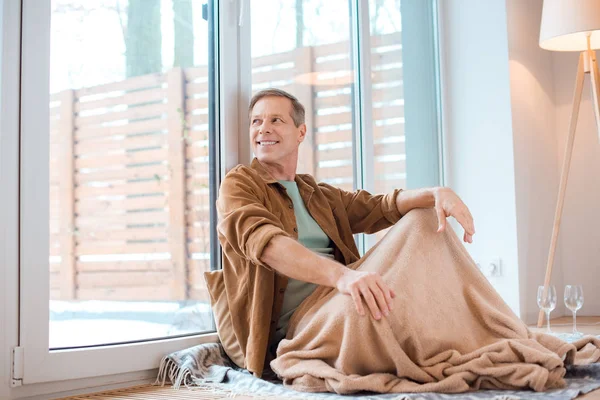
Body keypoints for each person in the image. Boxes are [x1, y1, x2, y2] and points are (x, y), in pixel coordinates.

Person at [204, 88, 476, 379]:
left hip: (341, 300)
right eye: (256, 121)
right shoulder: (239, 184)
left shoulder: (317, 194)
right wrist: (343, 276)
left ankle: (483, 326)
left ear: (300, 132)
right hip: (300, 324)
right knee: (397, 317)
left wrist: (437, 193)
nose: (263, 129)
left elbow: (380, 206)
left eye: (275, 120)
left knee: (424, 217)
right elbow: (266, 243)